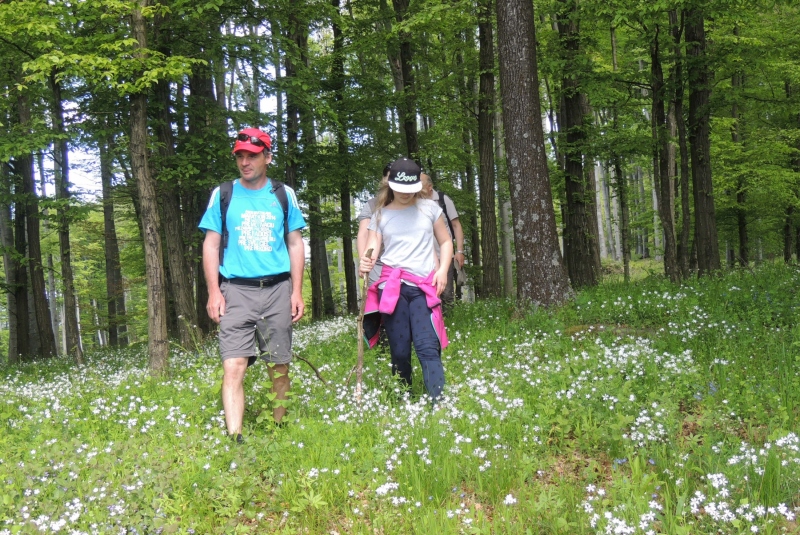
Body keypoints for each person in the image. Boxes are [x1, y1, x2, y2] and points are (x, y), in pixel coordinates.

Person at [199, 127, 306, 443]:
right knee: (233, 365)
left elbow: (296, 243)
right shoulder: (223, 194)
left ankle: (278, 429)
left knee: (279, 365)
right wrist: (214, 291)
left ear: (267, 157)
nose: (245, 162)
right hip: (235, 291)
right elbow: (210, 244)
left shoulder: (283, 194)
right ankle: (235, 438)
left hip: (277, 290)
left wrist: (297, 291)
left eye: (252, 156)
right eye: (240, 156)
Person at [359, 158, 453, 403]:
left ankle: (438, 403)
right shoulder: (379, 215)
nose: (403, 194)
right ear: (389, 184)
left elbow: (445, 241)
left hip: (424, 287)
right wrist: (365, 261)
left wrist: (442, 270)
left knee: (427, 347)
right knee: (399, 350)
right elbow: (372, 247)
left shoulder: (430, 209)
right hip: (393, 289)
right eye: (398, 188)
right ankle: (403, 400)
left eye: (409, 189)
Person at [420, 173, 465, 313]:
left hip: (445, 255)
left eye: (420, 184)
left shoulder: (443, 200)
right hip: (423, 257)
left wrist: (459, 251)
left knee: (446, 292)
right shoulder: (412, 202)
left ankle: (450, 322)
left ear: (429, 187)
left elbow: (456, 225)